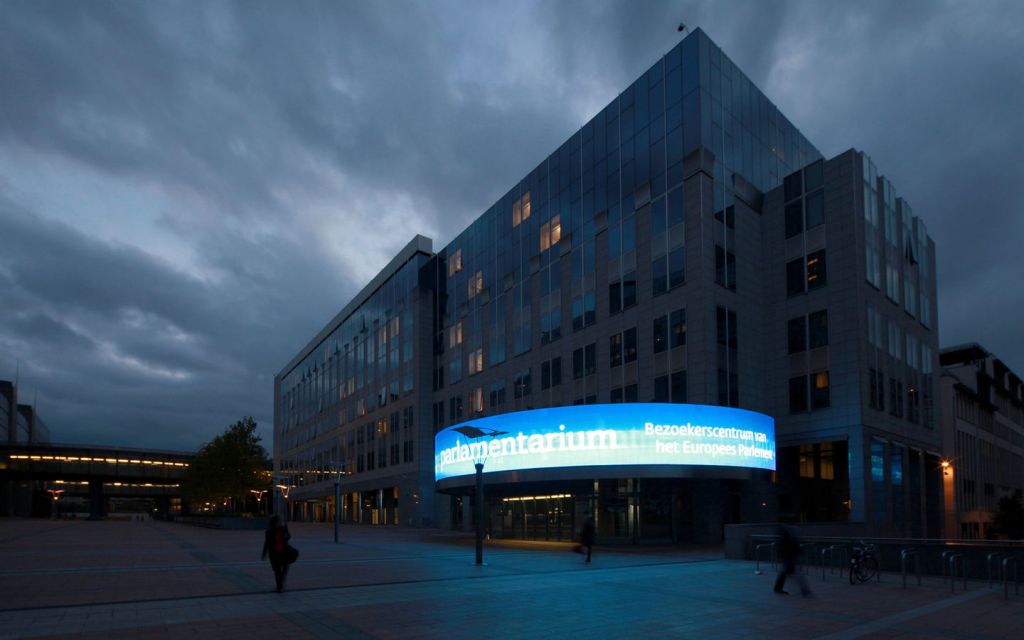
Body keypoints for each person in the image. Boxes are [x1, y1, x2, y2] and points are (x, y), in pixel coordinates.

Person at [773, 522, 810, 596]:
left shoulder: (786, 531)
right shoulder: (788, 532)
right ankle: (804, 589)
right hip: (789, 555)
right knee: (795, 572)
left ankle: (778, 588)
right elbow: (792, 544)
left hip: (788, 555)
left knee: (786, 572)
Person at [261, 515, 292, 592]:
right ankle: (279, 587)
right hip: (274, 554)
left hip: (284, 553)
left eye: (280, 521)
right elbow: (267, 543)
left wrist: (286, 535)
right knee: (277, 571)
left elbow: (288, 537)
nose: (280, 522)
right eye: (279, 521)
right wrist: (264, 554)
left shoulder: (283, 529)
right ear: (274, 523)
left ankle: (281, 582)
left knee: (285, 567)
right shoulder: (269, 532)